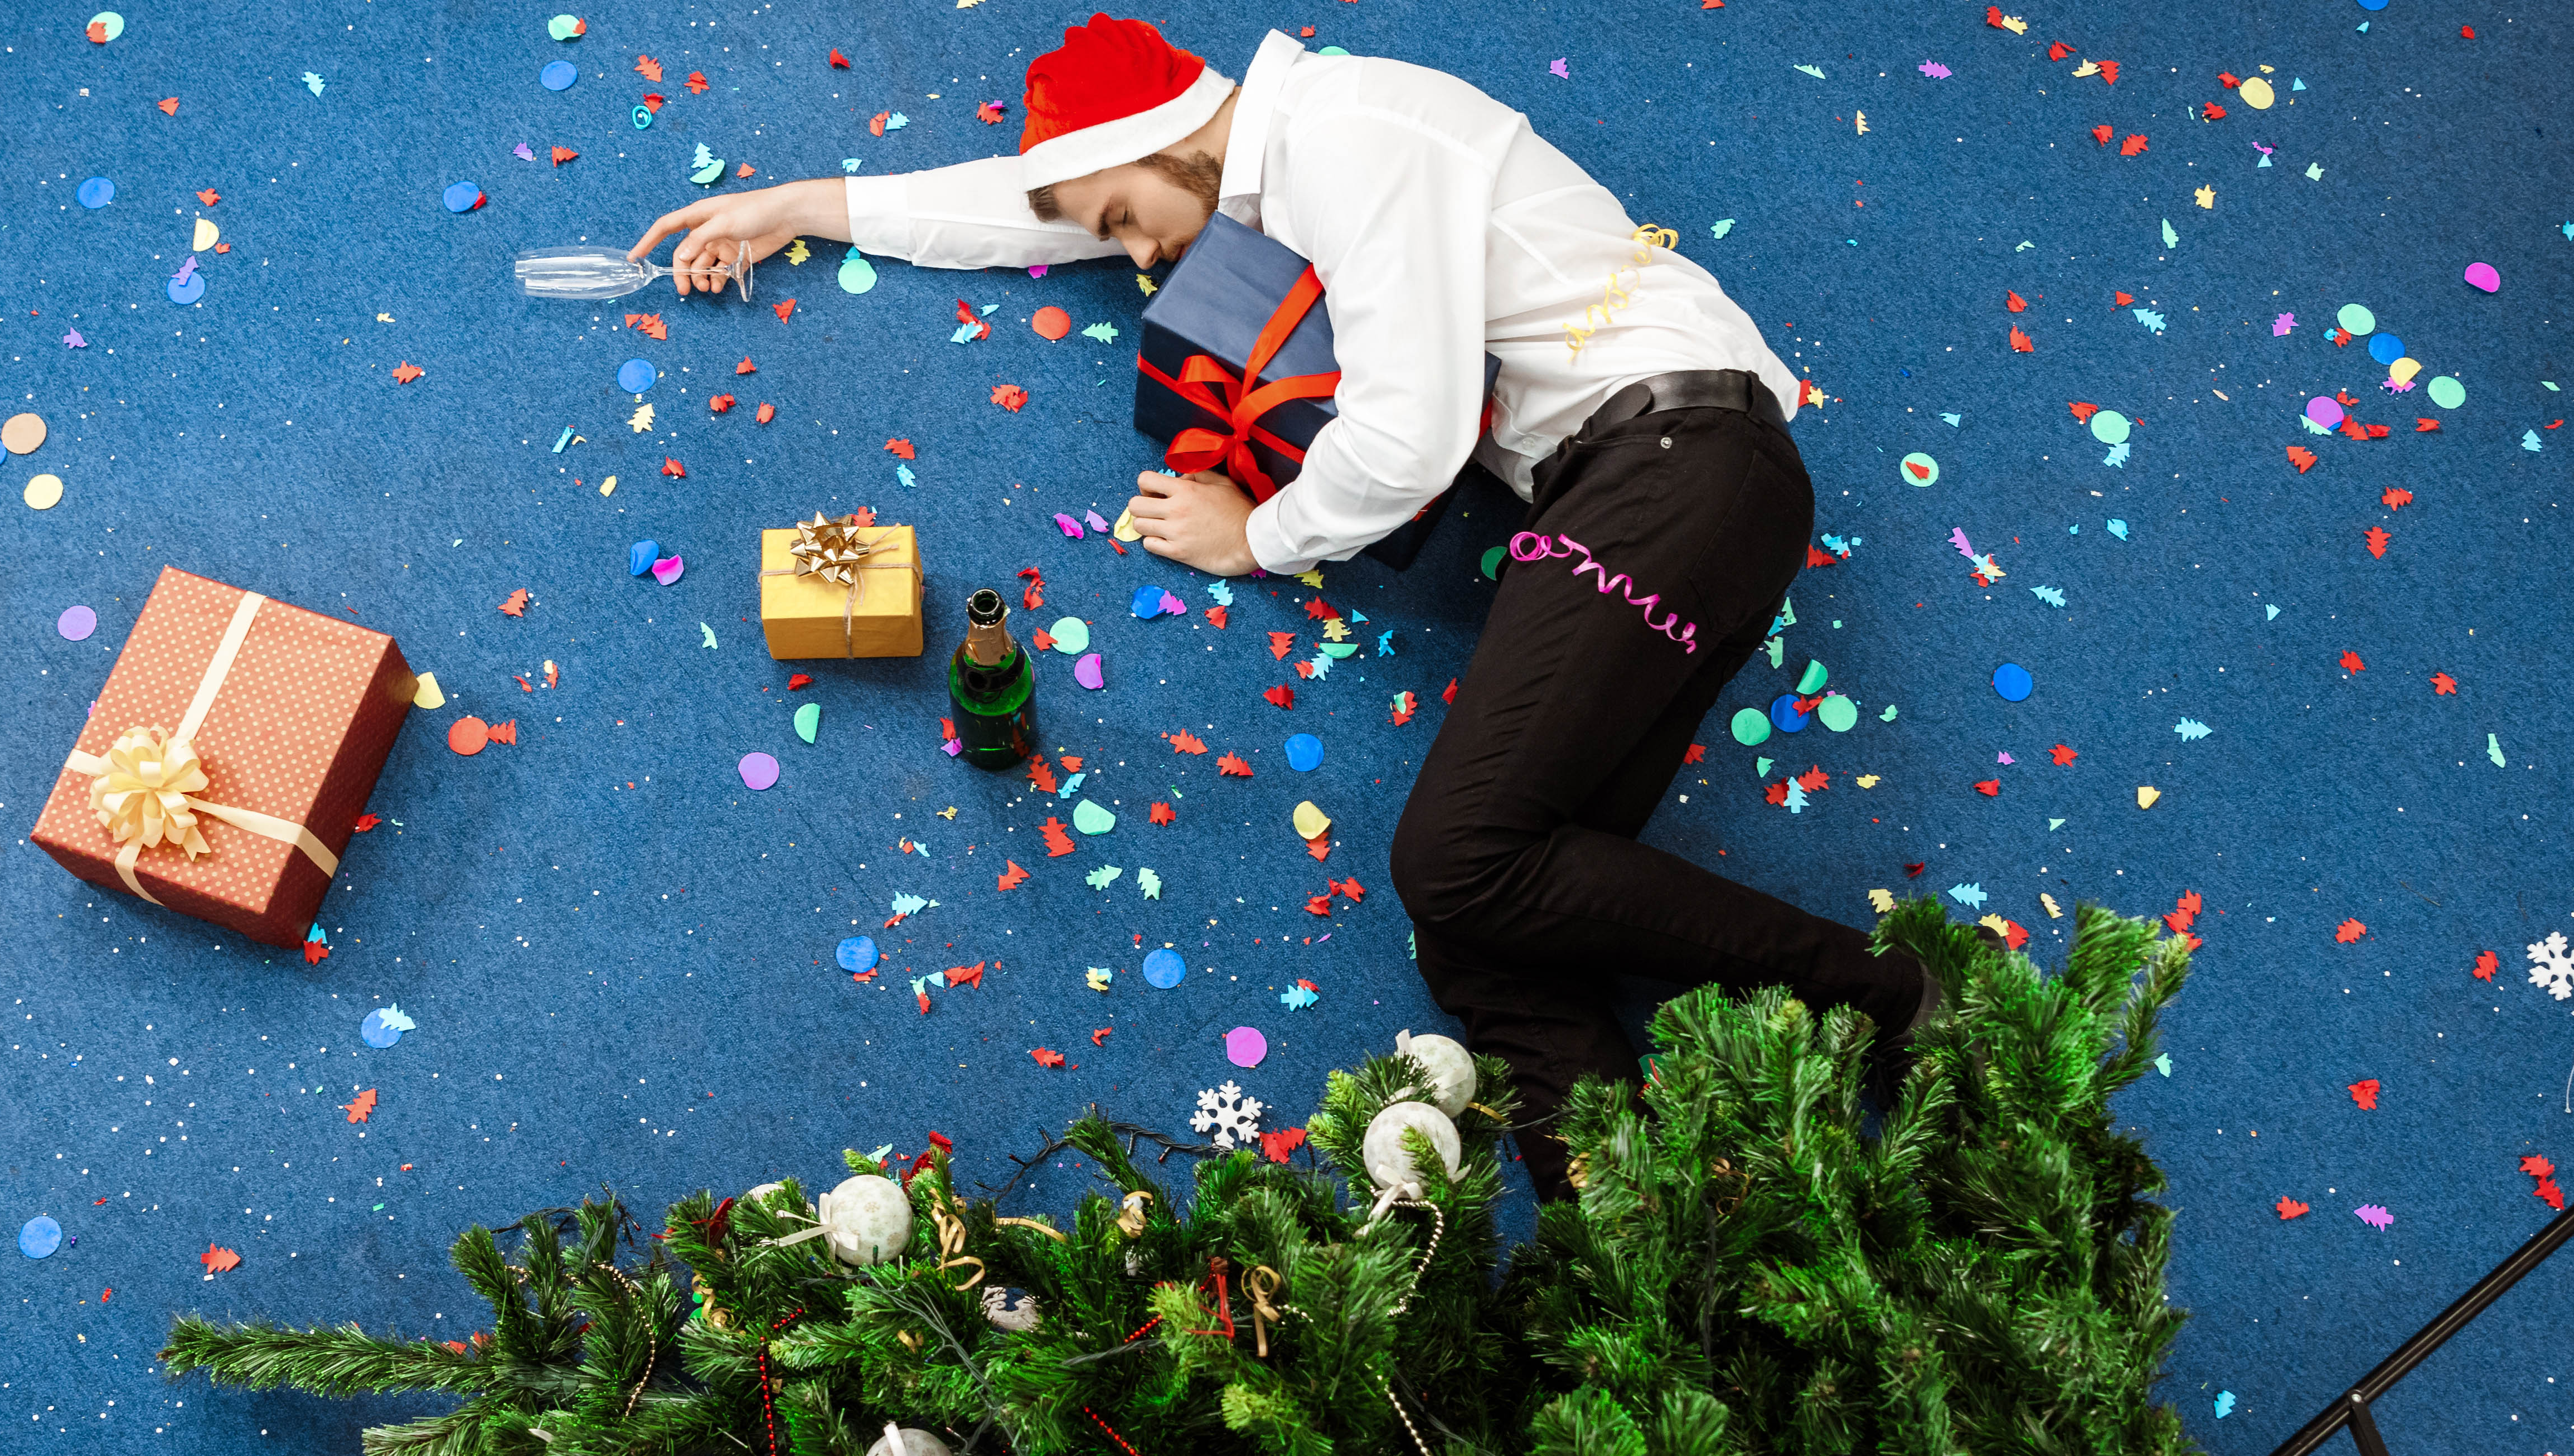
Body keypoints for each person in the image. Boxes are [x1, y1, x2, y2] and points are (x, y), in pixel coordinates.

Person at [632, 15, 1934, 1199]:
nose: (1137, 258)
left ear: (1163, 143)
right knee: (1476, 933)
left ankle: (1881, 993)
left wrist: (1252, 532)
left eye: (1128, 220)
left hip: (1677, 466)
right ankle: (1636, 1261)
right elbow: (1025, 208)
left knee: (1449, 859)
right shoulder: (1250, 163)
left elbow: (1410, 438)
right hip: (1639, 495)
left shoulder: (1351, 137)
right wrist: (791, 205)